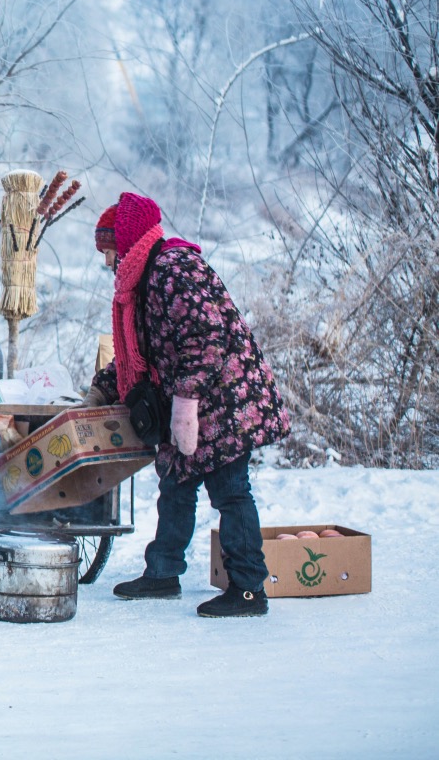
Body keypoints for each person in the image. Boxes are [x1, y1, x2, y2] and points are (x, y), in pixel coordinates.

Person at [82, 193, 290, 618]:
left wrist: (186, 403)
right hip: (191, 398)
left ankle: (249, 590)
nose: (107, 264)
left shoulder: (174, 269)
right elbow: (140, 353)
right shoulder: (144, 278)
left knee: (231, 493)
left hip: (224, 400)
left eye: (108, 252)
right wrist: (101, 391)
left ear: (124, 242)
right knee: (175, 486)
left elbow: (207, 338)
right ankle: (162, 573)